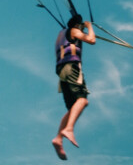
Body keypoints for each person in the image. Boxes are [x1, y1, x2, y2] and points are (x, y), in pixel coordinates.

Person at [52, 13, 96, 160]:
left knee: (73, 108)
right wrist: (89, 27)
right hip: (71, 68)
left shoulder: (61, 34)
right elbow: (91, 40)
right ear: (77, 25)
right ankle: (68, 129)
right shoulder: (74, 31)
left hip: (61, 70)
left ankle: (58, 138)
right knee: (83, 100)